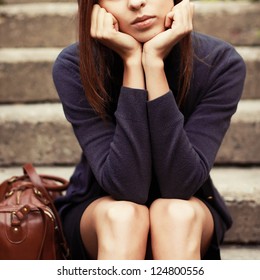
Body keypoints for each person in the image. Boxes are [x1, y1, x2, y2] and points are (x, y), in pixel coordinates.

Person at [52, 0, 246, 260]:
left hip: (189, 207)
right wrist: (133, 63)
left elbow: (180, 186)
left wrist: (153, 64)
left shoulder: (220, 63)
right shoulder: (75, 66)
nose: (135, 3)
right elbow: (127, 188)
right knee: (124, 216)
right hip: (101, 207)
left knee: (176, 214)